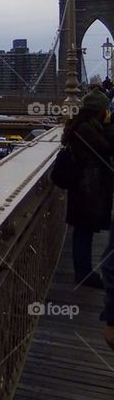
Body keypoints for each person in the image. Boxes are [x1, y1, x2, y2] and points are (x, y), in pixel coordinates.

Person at [62, 89, 112, 291]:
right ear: (97, 111)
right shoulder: (86, 129)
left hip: (84, 189)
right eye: (105, 109)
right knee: (83, 232)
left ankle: (84, 271)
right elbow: (108, 147)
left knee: (84, 231)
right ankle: (83, 274)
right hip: (86, 189)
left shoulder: (82, 126)